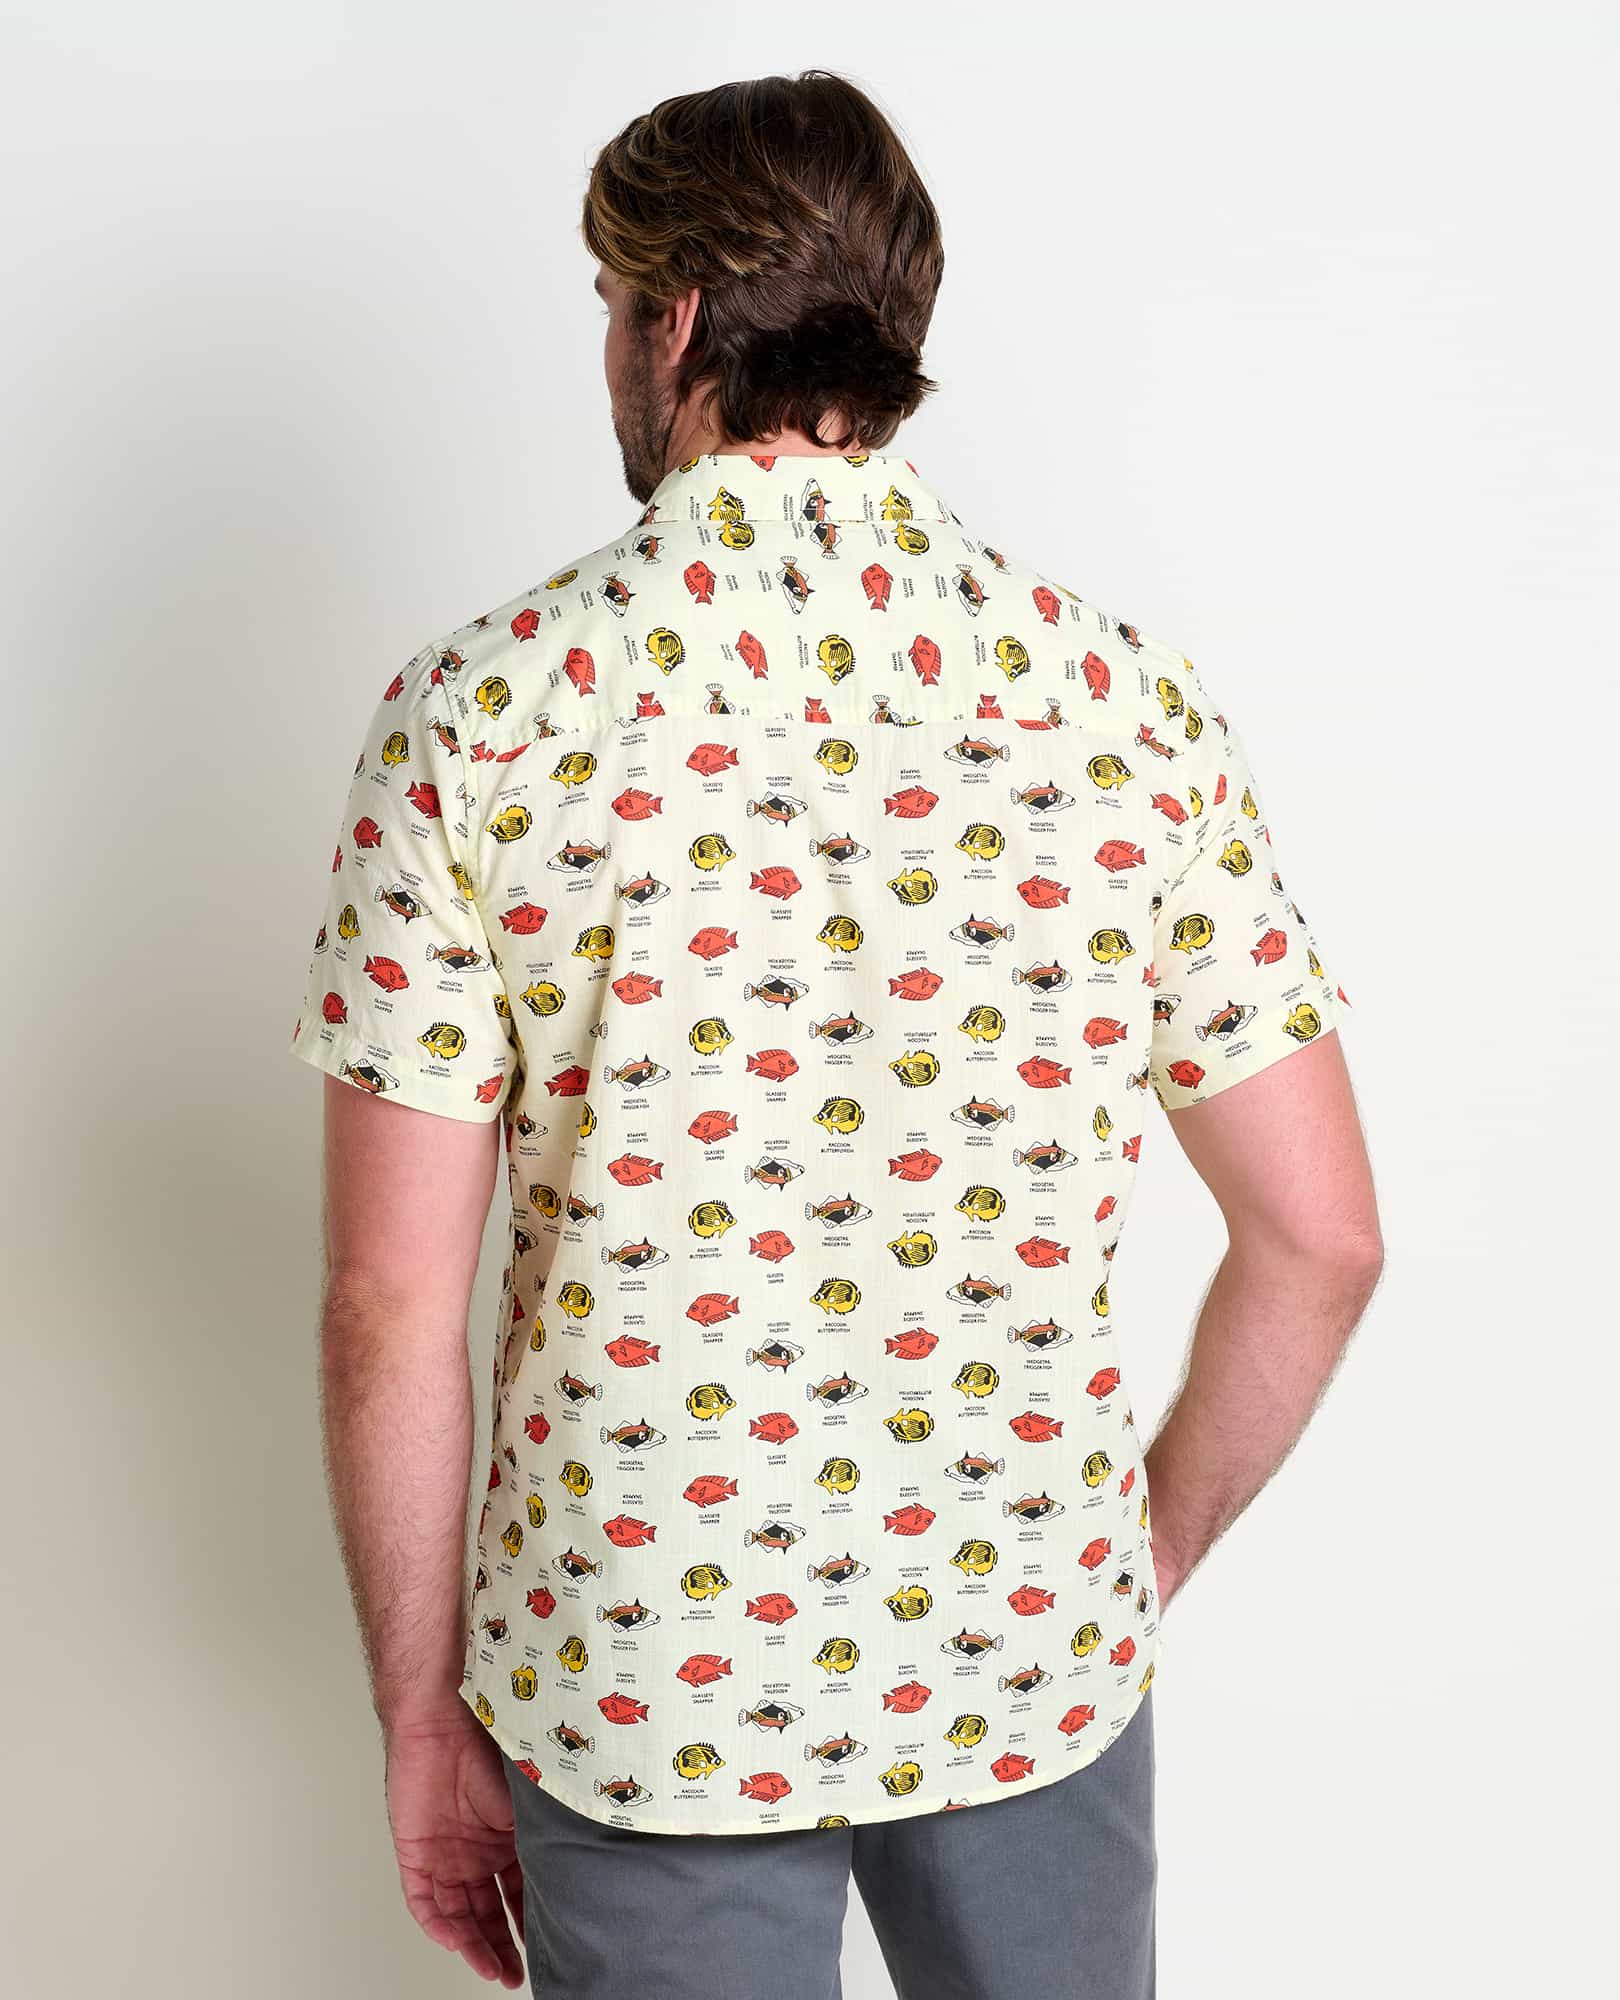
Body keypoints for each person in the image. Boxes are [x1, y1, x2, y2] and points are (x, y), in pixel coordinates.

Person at [288, 67, 1382, 2000]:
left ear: (675, 324)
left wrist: (418, 1716)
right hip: (1024, 1642)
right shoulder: (1123, 704)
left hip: (644, 1667)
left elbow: (390, 1303)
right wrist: (1119, 1574)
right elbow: (1323, 1239)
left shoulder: (484, 713)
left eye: (609, 308)